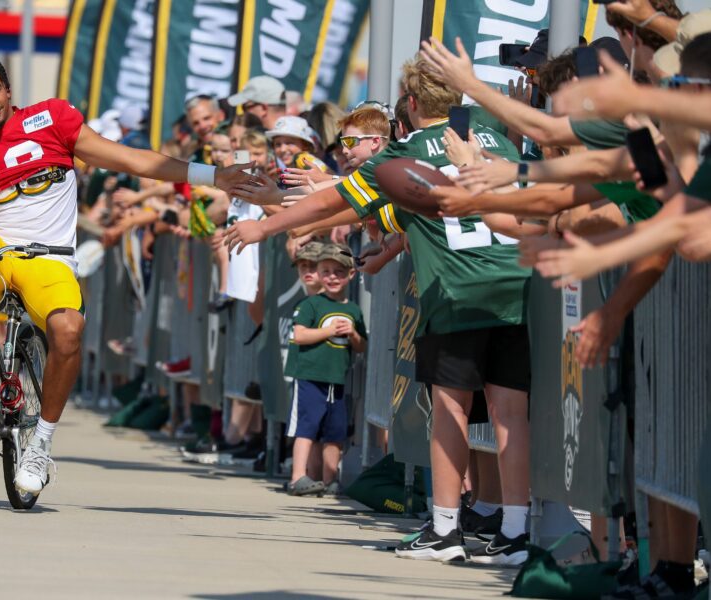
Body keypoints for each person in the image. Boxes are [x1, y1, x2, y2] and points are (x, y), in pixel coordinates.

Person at [0, 55, 253, 497]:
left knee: (68, 331)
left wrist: (214, 175)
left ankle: (40, 445)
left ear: (8, 89)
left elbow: (133, 160)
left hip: (50, 258)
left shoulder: (52, 119)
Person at [225, 54, 532, 566]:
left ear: (408, 104)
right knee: (510, 415)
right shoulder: (490, 132)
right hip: (514, 281)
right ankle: (517, 533)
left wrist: (265, 224)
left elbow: (335, 203)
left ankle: (445, 528)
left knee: (451, 410)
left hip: (456, 289)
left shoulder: (403, 153)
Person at [284, 244, 366, 496]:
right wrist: (329, 331)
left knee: (335, 432)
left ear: (351, 274)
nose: (332, 277)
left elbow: (362, 346)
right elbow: (299, 335)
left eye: (339, 272)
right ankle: (298, 477)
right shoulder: (311, 304)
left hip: (337, 379)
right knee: (306, 427)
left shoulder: (353, 310)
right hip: (310, 376)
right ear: (319, 274)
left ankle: (331, 480)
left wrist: (353, 334)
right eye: (326, 271)